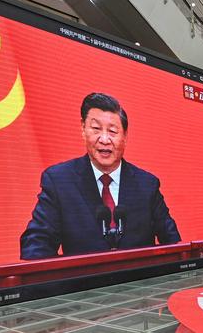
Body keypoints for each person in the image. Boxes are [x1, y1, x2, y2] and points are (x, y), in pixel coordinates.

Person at [20, 93, 181, 260]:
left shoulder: (147, 185)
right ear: (83, 129)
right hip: (84, 284)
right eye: (96, 129)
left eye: (112, 131)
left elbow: (174, 245)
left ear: (125, 137)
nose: (104, 139)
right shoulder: (59, 181)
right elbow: (36, 246)